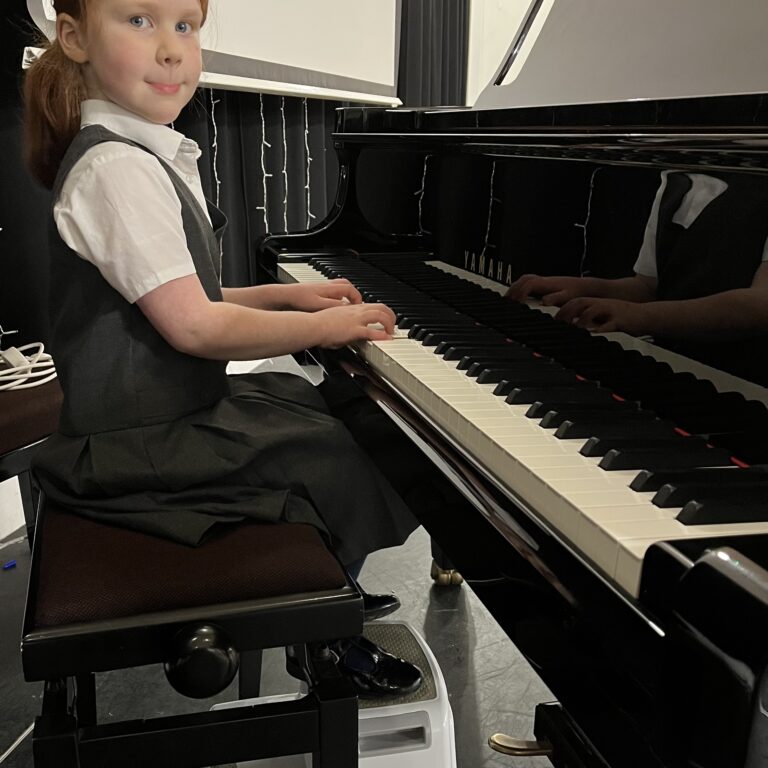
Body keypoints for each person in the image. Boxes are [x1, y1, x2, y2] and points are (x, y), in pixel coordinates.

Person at [25, 0, 424, 696]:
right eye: (139, 21)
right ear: (74, 37)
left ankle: (330, 590)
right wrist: (326, 328)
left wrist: (288, 297)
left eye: (186, 26)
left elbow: (183, 301)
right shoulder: (115, 170)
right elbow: (196, 328)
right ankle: (324, 632)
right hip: (139, 441)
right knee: (341, 448)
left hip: (167, 416)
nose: (173, 49)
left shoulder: (135, 154)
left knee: (321, 414)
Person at [506, 169, 768, 384]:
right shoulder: (676, 180)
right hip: (670, 369)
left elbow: (761, 305)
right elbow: (648, 287)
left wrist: (637, 316)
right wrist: (584, 288)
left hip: (741, 383)